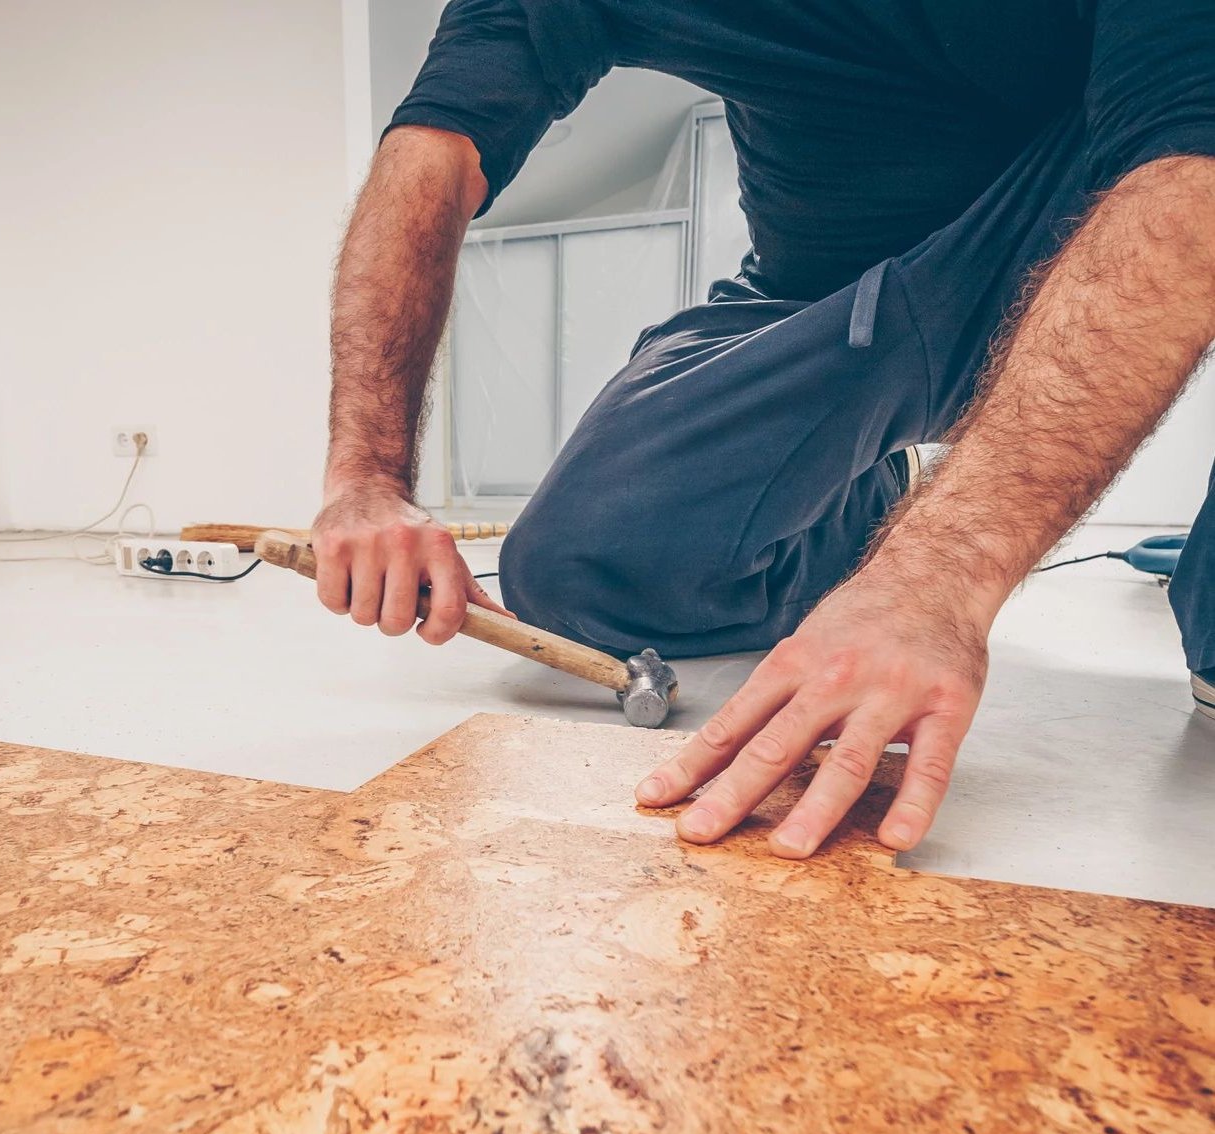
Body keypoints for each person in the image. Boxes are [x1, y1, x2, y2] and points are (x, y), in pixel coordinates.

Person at [311, 0, 1215, 858]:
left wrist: (937, 579)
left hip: (1086, 217)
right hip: (813, 301)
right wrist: (366, 476)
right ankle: (870, 495)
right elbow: (431, 152)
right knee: (574, 567)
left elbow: (1191, 171)